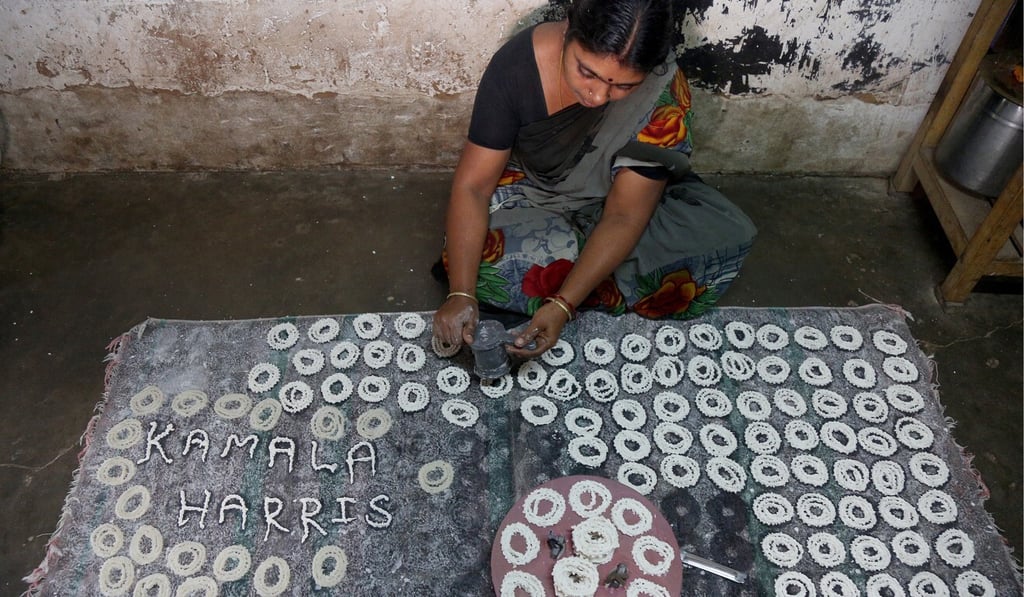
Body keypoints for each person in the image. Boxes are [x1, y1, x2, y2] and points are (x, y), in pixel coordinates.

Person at [432, 0, 756, 359]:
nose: (598, 96)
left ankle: (576, 282)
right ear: (569, 27)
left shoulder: (660, 91)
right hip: (532, 189)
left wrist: (563, 305)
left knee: (721, 242)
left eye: (623, 86)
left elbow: (624, 216)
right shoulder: (517, 66)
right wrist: (461, 294)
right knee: (480, 261)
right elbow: (474, 186)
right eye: (587, 72)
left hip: (620, 198)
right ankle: (600, 275)